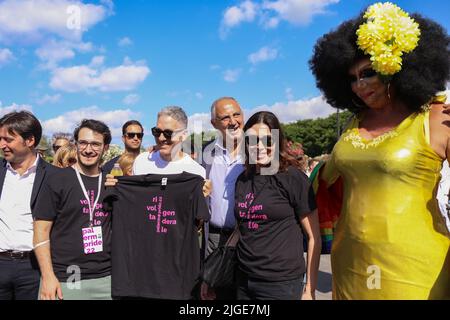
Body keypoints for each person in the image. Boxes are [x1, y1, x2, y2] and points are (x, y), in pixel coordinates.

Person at [309, 2, 450, 299]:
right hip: (350, 261)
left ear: (397, 68)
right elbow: (323, 182)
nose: (359, 85)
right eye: (351, 78)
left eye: (368, 73)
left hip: (414, 267)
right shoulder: (352, 123)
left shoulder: (436, 117)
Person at [233, 111, 320, 300]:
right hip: (244, 280)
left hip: (280, 284)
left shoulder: (293, 178)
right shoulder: (243, 179)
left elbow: (314, 238)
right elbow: (241, 228)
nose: (260, 146)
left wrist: (309, 290)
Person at [33, 119, 113, 300]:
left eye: (95, 144)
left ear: (106, 148)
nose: (88, 149)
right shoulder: (55, 179)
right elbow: (40, 232)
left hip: (106, 279)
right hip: (67, 277)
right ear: (76, 145)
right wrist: (47, 277)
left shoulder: (111, 182)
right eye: (83, 143)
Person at [0, 111, 59, 300]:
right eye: (0, 139)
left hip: (34, 269)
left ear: (30, 140)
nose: (2, 145)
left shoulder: (55, 176)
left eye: (8, 139)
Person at [200, 97, 245, 300]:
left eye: (236, 114)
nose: (233, 121)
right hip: (214, 240)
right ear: (214, 124)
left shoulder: (257, 151)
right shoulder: (206, 154)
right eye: (225, 118)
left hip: (247, 238)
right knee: (214, 296)